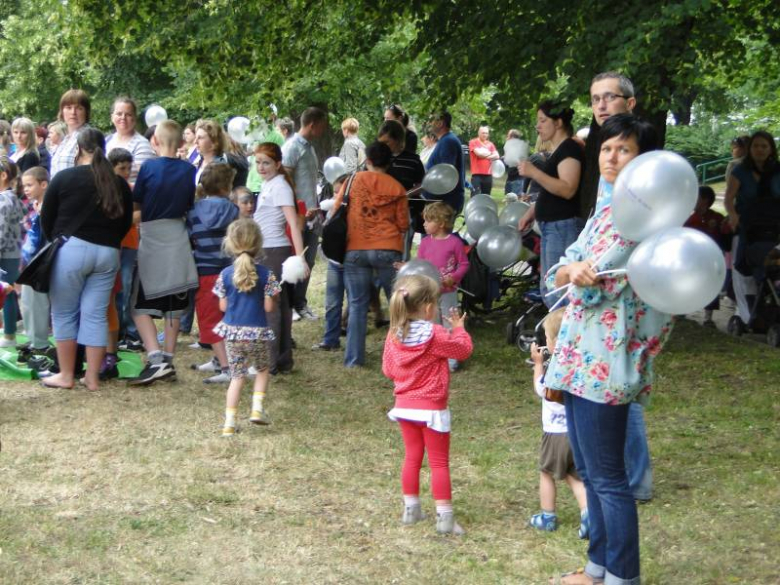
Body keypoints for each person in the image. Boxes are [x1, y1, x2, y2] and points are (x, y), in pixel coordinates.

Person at [544, 114, 671, 585]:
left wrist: (577, 273)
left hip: (607, 362)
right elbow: (560, 269)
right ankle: (597, 568)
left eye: (624, 150)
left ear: (645, 160)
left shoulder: (642, 218)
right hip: (577, 354)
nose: (613, 158)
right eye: (606, 149)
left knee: (609, 479)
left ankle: (622, 576)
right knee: (592, 474)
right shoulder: (604, 210)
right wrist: (571, 271)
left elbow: (594, 284)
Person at [39, 128, 133, 391]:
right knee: (95, 316)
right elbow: (125, 223)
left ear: (78, 149)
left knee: (64, 313)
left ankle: (66, 374)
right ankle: (92, 377)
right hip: (108, 253)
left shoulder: (64, 177)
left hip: (72, 250)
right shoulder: (119, 183)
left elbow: (47, 218)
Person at [382, 274, 473, 534]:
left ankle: (411, 509)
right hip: (431, 408)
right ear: (430, 308)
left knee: (411, 457)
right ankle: (444, 518)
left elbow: (388, 369)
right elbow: (463, 350)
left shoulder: (393, 334)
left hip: (404, 405)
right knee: (439, 463)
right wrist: (459, 329)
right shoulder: (435, 334)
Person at [129, 120, 198, 386]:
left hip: (153, 237)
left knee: (139, 304)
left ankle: (155, 357)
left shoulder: (148, 167)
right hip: (178, 235)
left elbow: (138, 203)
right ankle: (168, 357)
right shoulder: (189, 170)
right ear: (182, 143)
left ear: (154, 141)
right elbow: (188, 203)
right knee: (174, 303)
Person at [332, 141, 409, 367]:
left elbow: (337, 210)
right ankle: (402, 357)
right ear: (389, 162)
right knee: (398, 304)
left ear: (368, 161)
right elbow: (403, 225)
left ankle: (354, 360)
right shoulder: (397, 188)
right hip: (388, 248)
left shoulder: (353, 181)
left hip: (355, 248)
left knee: (357, 304)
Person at [214, 219, 282, 435]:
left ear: (230, 244)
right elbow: (269, 307)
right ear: (258, 243)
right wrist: (271, 295)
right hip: (257, 333)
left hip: (232, 333)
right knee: (262, 370)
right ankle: (257, 410)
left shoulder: (225, 274)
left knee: (237, 376)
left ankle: (229, 424)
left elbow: (222, 306)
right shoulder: (266, 274)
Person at [517, 101, 584, 306]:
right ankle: (554, 333)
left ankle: (560, 334)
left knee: (558, 287)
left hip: (562, 226)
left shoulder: (570, 149)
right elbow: (551, 189)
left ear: (559, 122)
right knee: (548, 285)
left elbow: (567, 188)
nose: (538, 126)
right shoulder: (559, 150)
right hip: (551, 225)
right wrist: (532, 211)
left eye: (543, 120)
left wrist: (533, 172)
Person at [529, 309, 588, 538]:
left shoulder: (554, 370)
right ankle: (589, 514)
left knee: (546, 472)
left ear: (553, 343)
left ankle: (547, 515)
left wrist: (537, 364)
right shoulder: (583, 367)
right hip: (577, 431)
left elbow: (541, 389)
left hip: (555, 434)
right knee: (574, 475)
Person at [253, 142, 307, 373]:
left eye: (266, 162)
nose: (261, 167)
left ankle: (269, 361)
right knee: (280, 307)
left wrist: (300, 256)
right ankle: (282, 359)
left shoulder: (280, 187)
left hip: (274, 253)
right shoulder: (268, 184)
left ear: (277, 164)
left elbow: (293, 223)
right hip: (267, 251)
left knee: (271, 307)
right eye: (258, 162)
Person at [187, 162, 240, 384]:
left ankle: (227, 367)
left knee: (210, 319)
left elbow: (191, 238)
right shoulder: (234, 210)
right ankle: (220, 360)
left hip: (205, 272)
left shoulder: (194, 211)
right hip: (229, 270)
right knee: (227, 316)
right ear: (227, 185)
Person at [724, 130, 780, 328]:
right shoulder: (740, 170)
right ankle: (747, 314)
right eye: (756, 146)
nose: (760, 150)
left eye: (764, 146)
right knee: (743, 269)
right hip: (746, 225)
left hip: (774, 226)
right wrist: (733, 216)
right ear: (750, 149)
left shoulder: (777, 170)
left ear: (771, 149)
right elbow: (729, 199)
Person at [282, 107, 327, 321]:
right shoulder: (292, 146)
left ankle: (300, 303)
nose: (324, 129)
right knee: (295, 259)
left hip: (312, 213)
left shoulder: (309, 147)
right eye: (322, 125)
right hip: (299, 215)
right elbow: (286, 180)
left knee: (309, 260)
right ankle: (289, 304)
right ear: (313, 124)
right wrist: (296, 211)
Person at [416, 202, 469, 371]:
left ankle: (452, 359)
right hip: (429, 292)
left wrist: (453, 278)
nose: (424, 224)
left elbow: (463, 264)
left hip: (448, 292)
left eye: (428, 220)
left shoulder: (454, 243)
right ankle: (434, 355)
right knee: (431, 323)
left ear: (440, 224)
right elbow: (420, 264)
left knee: (449, 322)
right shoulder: (424, 243)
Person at [579, 72, 637, 220]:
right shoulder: (606, 141)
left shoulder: (640, 145)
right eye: (595, 99)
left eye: (610, 97)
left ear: (630, 103)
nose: (601, 106)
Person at [17, 166, 51, 362]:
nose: (26, 189)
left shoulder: (49, 206)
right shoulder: (32, 206)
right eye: (24, 186)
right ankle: (33, 339)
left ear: (43, 184)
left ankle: (40, 343)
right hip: (31, 260)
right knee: (29, 302)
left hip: (44, 260)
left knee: (39, 302)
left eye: (30, 185)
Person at [684, 186, 728, 326]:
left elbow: (724, 240)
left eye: (696, 197)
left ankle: (708, 317)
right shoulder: (689, 219)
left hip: (711, 260)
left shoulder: (717, 218)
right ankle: (683, 310)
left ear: (705, 200)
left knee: (711, 286)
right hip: (692, 259)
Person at [0, 157, 24, 347]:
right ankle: (9, 333)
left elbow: (1, 229)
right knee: (8, 293)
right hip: (14, 251)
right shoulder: (14, 198)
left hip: (4, 253)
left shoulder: (3, 200)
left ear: (3, 175)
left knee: (6, 292)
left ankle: (9, 336)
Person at [424, 111, 466, 214]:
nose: (429, 123)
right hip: (441, 201)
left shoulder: (448, 141)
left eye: (431, 120)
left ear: (440, 123)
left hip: (445, 203)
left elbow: (446, 176)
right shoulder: (445, 140)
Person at [50, 89, 91, 178]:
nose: (73, 113)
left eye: (79, 108)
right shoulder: (66, 139)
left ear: (86, 112)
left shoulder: (88, 137)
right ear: (62, 111)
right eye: (68, 108)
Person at [468, 124, 500, 195]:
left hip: (488, 175)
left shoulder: (490, 144)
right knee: (475, 195)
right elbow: (479, 154)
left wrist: (485, 156)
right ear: (479, 133)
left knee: (486, 196)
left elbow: (497, 156)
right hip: (477, 175)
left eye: (486, 133)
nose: (485, 135)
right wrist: (490, 154)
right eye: (483, 133)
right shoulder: (473, 142)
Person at [194, 119, 228, 184]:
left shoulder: (219, 168)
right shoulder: (199, 162)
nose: (195, 142)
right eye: (196, 137)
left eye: (200, 138)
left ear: (214, 143)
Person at [503, 129, 524, 195]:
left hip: (517, 180)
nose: (507, 138)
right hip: (510, 178)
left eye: (508, 136)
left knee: (515, 202)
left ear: (512, 137)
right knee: (508, 200)